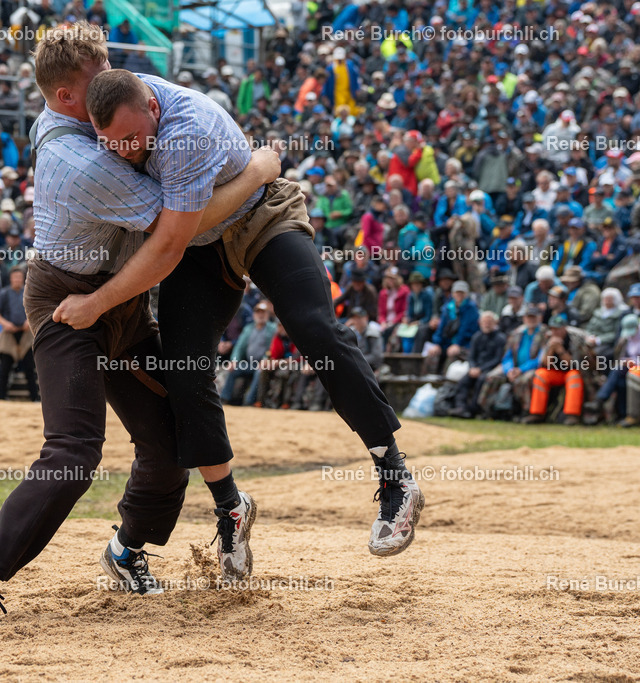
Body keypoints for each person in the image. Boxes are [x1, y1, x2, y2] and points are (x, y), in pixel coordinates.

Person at [0, 23, 278, 632]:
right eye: (99, 78)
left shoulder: (87, 118)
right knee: (74, 450)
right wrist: (256, 170)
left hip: (117, 300)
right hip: (68, 304)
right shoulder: (81, 158)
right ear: (67, 96)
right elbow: (181, 227)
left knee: (169, 439)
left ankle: (125, 551)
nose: (119, 83)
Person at [57, 66, 421, 560]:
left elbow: (172, 236)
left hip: (258, 215)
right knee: (184, 372)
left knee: (315, 328)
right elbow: (179, 230)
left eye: (130, 139)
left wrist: (257, 176)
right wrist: (256, 166)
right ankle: (230, 507)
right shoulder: (107, 109)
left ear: (154, 109)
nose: (122, 151)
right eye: (111, 143)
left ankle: (395, 476)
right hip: (200, 244)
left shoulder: (187, 129)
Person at [523, 315, 585, 425]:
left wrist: (560, 350)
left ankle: (572, 415)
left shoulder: (574, 339)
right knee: (540, 374)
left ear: (564, 328)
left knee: (574, 376)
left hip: (570, 372)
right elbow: (544, 364)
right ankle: (536, 413)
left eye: (558, 329)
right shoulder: (547, 338)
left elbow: (574, 364)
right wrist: (551, 349)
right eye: (553, 329)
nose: (555, 332)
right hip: (554, 372)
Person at [0, 266, 38, 401]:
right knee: (4, 368)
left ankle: (34, 398)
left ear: (23, 278)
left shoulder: (29, 292)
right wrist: (5, 323)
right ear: (10, 278)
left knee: (30, 368)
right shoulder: (4, 293)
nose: (17, 279)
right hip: (8, 333)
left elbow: (37, 308)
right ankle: (1, 397)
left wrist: (29, 321)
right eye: (15, 277)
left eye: (19, 277)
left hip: (26, 333)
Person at [451, 312, 506, 419]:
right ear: (480, 323)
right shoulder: (477, 337)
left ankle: (473, 409)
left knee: (481, 380)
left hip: (491, 369)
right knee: (463, 381)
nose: (487, 324)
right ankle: (460, 407)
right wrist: (472, 368)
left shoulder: (500, 338)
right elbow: (471, 356)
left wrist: (481, 369)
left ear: (495, 323)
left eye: (489, 322)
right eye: (484, 322)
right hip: (475, 368)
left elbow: (497, 359)